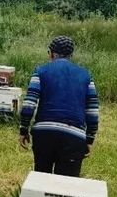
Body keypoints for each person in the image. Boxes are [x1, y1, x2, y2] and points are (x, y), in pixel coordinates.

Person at [19, 36, 100, 177]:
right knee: (65, 188)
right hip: (74, 137)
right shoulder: (86, 76)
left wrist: (23, 129)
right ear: (71, 55)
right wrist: (89, 138)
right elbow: (92, 111)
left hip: (44, 134)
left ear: (51, 53)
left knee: (41, 181)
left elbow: (29, 104)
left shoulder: (40, 70)